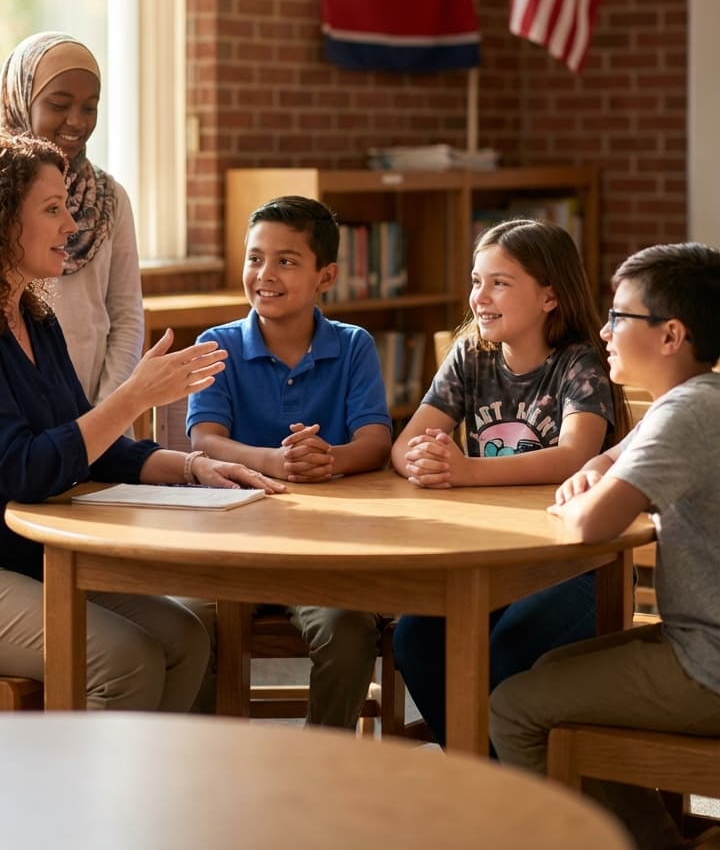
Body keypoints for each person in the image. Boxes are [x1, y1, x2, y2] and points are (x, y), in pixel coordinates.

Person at [0, 133, 283, 711]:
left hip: (16, 567)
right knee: (125, 660)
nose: (71, 223)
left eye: (67, 205)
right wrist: (134, 397)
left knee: (187, 638)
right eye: (51, 208)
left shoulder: (35, 319)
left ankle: (147, 798)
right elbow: (25, 469)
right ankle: (89, 801)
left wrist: (193, 467)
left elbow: (89, 443)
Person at [489, 242, 720, 850]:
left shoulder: (687, 415)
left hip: (709, 663)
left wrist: (589, 495)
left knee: (514, 707)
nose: (603, 329)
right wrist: (595, 478)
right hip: (700, 641)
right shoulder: (687, 402)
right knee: (549, 670)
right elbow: (598, 465)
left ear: (671, 335)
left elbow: (592, 523)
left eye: (620, 316)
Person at [391, 218, 629, 744]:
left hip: (577, 564)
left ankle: (509, 785)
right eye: (477, 281)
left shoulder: (580, 364)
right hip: (492, 558)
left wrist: (468, 469)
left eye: (500, 282)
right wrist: (425, 460)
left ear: (549, 295)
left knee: (505, 649)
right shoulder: (469, 357)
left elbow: (574, 455)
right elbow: (403, 446)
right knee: (415, 639)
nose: (480, 296)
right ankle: (480, 769)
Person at [180, 195, 393, 729]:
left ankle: (321, 762)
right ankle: (208, 762)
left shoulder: (353, 347)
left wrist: (330, 458)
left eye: (286, 261)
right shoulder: (218, 343)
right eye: (255, 258)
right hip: (229, 548)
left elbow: (376, 440)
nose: (264, 274)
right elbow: (204, 439)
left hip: (320, 553)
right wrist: (273, 462)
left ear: (327, 275)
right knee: (186, 625)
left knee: (347, 629)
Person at [0, 31, 143, 410]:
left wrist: (108, 413)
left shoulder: (109, 196)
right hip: (12, 412)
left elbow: (126, 315)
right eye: (59, 104)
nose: (77, 121)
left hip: (98, 407)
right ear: (21, 100)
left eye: (90, 107)